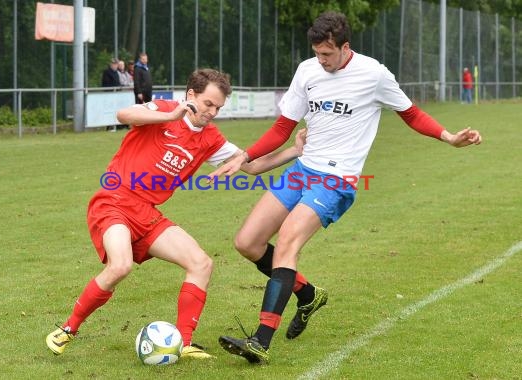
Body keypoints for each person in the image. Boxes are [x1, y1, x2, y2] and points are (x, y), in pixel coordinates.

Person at [210, 11, 482, 364]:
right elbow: (282, 127)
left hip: (337, 179)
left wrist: (448, 137)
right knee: (247, 241)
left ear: (345, 47)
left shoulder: (374, 74)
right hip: (302, 169)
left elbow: (411, 113)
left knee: (288, 242)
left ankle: (261, 340)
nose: (321, 61)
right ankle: (307, 294)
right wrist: (246, 154)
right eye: (317, 53)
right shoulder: (308, 71)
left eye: (327, 54)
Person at [46, 68, 306, 360]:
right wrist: (170, 117)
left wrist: (294, 151)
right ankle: (68, 329)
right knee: (121, 266)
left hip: (147, 212)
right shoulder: (164, 109)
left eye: (218, 107)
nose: (212, 112)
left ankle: (184, 342)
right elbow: (124, 115)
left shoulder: (210, 138)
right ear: (191, 95)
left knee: (201, 263)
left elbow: (251, 165)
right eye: (208, 104)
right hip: (114, 202)